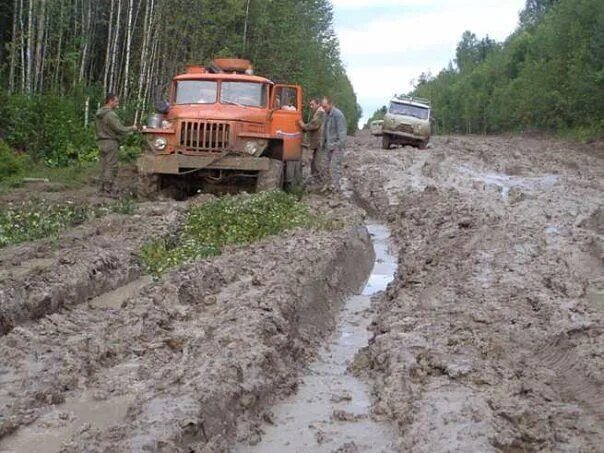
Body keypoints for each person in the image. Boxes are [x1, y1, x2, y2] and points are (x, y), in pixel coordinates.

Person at [95, 93, 137, 196]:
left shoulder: (99, 113)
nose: (117, 103)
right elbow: (119, 128)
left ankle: (101, 188)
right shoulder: (110, 115)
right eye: (116, 101)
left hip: (101, 141)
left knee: (104, 165)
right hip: (110, 142)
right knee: (111, 166)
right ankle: (108, 189)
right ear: (110, 101)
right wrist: (132, 128)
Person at [319, 97, 347, 190]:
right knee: (324, 167)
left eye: (325, 106)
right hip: (327, 145)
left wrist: (338, 145)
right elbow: (324, 130)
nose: (323, 109)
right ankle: (326, 185)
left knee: (334, 167)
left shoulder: (338, 115)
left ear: (331, 104)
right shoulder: (325, 114)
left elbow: (342, 133)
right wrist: (322, 143)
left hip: (336, 146)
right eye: (322, 107)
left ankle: (336, 188)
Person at [298, 99, 324, 179]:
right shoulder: (318, 113)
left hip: (320, 140)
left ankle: (317, 178)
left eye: (312, 104)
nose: (311, 107)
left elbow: (315, 125)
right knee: (315, 159)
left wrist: (303, 126)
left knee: (317, 161)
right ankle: (315, 177)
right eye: (310, 105)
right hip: (318, 140)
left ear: (318, 104)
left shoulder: (320, 113)